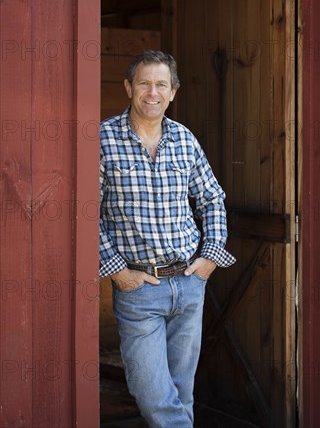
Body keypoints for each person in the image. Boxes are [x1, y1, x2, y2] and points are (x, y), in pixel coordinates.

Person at [99, 50, 235, 428]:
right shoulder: (102, 139)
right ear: (129, 87)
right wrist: (116, 271)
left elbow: (212, 198)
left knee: (181, 392)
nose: (152, 92)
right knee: (154, 396)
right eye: (144, 82)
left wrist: (209, 257)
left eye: (161, 84)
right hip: (139, 288)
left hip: (189, 284)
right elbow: (84, 211)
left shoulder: (184, 139)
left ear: (173, 92)